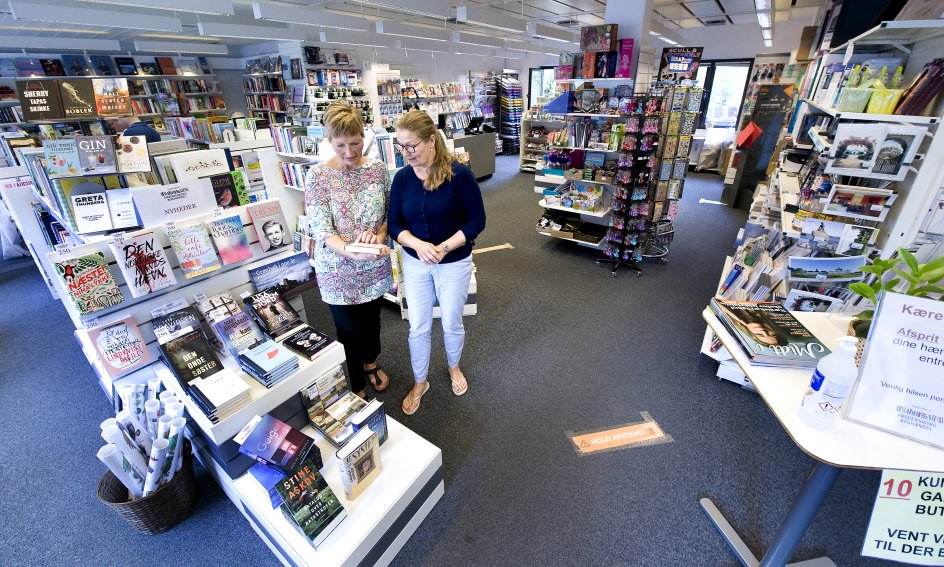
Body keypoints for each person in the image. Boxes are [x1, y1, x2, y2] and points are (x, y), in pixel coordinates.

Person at [388, 110, 486, 415]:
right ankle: (421, 381)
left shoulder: (460, 175)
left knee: (451, 320)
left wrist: (443, 248)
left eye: (411, 146)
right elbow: (394, 224)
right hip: (415, 262)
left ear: (432, 140)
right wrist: (417, 245)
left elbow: (477, 221)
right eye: (400, 146)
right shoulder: (403, 177)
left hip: (454, 260)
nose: (406, 153)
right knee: (417, 325)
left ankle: (454, 367)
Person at [305, 102, 393, 399]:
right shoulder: (317, 176)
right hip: (336, 269)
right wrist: (348, 251)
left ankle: (370, 363)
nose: (349, 151)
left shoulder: (379, 170)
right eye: (340, 144)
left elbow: (389, 216)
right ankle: (355, 381)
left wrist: (379, 235)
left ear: (363, 135)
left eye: (355, 143)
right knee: (348, 329)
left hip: (373, 265)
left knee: (371, 321)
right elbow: (322, 230)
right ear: (329, 141)